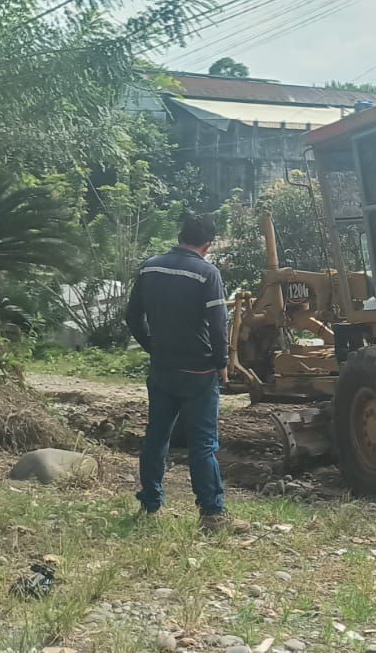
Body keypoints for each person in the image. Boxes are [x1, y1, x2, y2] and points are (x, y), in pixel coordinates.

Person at [126, 215, 233, 531]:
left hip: (162, 368)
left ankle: (150, 504)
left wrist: (152, 346)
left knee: (156, 436)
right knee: (203, 444)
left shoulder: (150, 267)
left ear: (179, 235)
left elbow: (132, 316)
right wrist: (222, 362)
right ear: (207, 245)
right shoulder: (207, 273)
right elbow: (218, 325)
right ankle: (212, 514)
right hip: (199, 371)